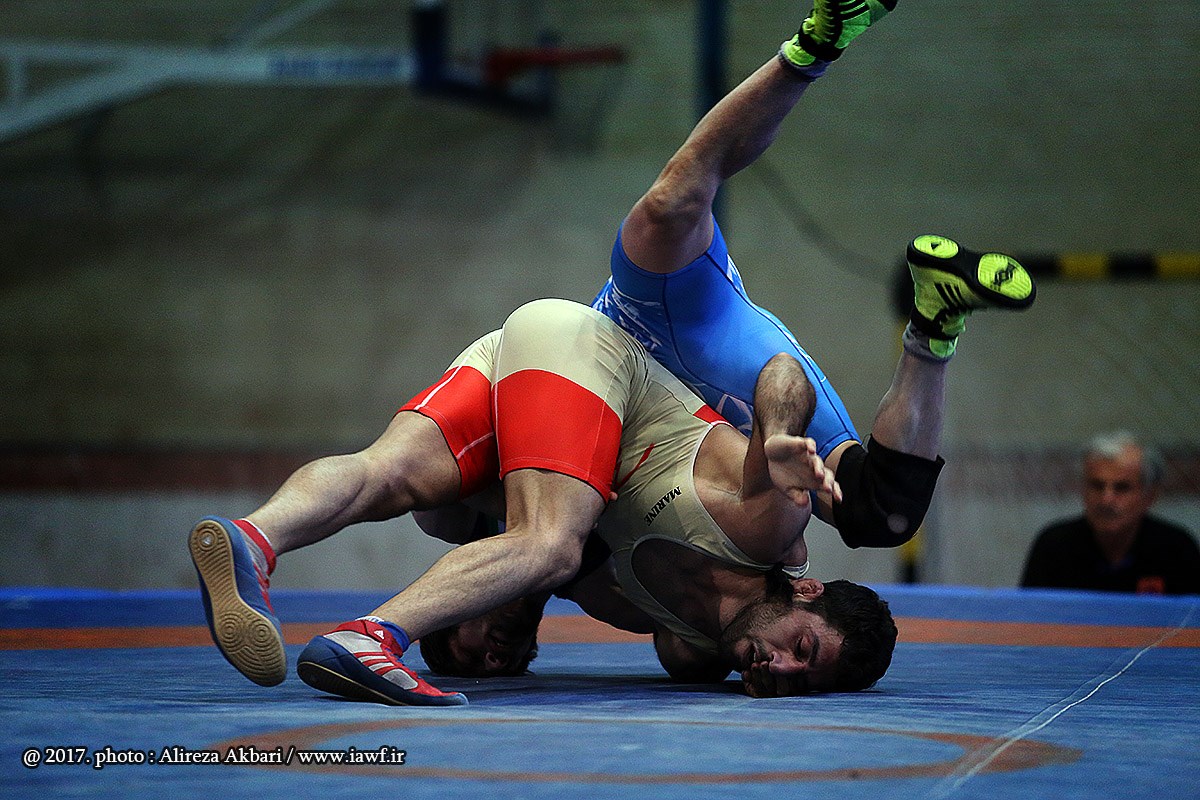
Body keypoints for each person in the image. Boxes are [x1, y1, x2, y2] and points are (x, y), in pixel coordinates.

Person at [189, 0, 1036, 702]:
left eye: (793, 680)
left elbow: (649, 625)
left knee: (416, 494)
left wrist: (512, 620)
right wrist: (779, 435)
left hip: (538, 369)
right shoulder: (769, 524)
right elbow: (781, 374)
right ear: (804, 590)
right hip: (610, 346)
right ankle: (371, 639)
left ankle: (253, 537)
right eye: (800, 653)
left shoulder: (673, 637)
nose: (776, 671)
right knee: (562, 534)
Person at [1021, 432, 1200, 595]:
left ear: (1149, 496)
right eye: (1097, 486)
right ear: (1083, 490)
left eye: (1122, 488)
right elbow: (1027, 615)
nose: (1106, 500)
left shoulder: (1176, 550)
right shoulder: (1054, 546)